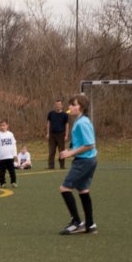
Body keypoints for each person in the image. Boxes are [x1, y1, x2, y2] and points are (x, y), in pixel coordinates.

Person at [58, 94, 98, 235]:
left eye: (72, 104)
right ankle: (90, 224)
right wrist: (69, 150)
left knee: (64, 188)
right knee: (83, 190)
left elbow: (90, 145)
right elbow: (82, 143)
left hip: (84, 161)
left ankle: (76, 222)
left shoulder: (82, 123)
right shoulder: (81, 121)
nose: (69, 107)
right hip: (87, 160)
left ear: (80, 106)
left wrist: (70, 154)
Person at [0, 119, 18, 187]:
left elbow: (14, 145)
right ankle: (2, 183)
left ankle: (13, 182)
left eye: (3, 125)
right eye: (0, 125)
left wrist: (15, 155)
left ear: (7, 126)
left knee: (12, 170)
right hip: (2, 157)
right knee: (2, 171)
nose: (2, 127)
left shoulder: (10, 134)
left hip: (10, 156)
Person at [46, 99, 70, 169]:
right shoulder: (51, 113)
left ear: (61, 105)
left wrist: (66, 135)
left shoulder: (65, 115)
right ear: (55, 105)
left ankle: (62, 165)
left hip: (61, 135)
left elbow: (67, 125)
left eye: (59, 105)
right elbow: (48, 123)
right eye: (56, 105)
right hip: (52, 135)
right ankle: (51, 166)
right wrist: (48, 133)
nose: (58, 106)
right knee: (51, 151)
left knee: (61, 151)